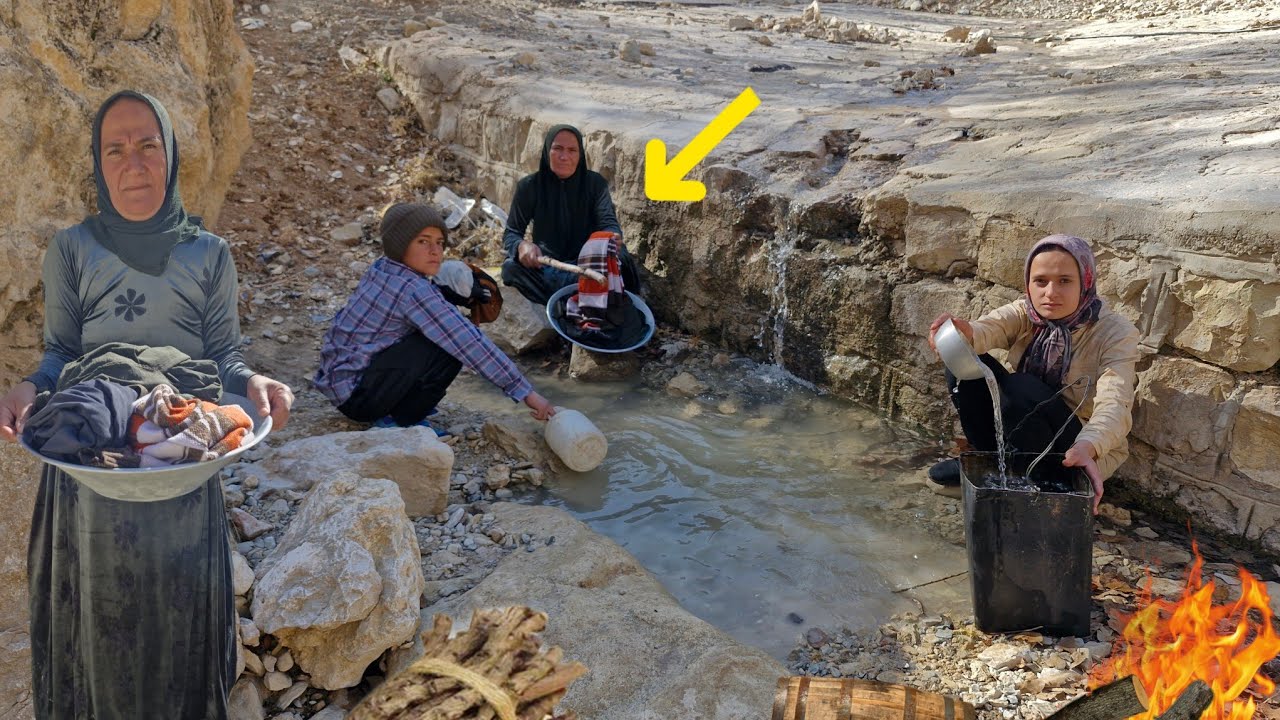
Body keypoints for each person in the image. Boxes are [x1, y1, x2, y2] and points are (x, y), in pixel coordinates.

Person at [0, 90, 294, 718]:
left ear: (171, 154)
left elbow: (226, 358)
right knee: (97, 623)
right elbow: (58, 354)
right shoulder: (72, 250)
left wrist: (257, 386)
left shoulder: (208, 255)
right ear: (99, 166)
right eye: (115, 149)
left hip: (179, 456)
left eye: (147, 145)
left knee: (178, 615)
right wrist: (31, 387)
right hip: (91, 465)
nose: (132, 162)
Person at [926, 234, 1140, 513]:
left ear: (1085, 281)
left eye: (1065, 281)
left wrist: (1089, 446)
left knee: (1022, 388)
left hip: (1077, 445)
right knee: (965, 360)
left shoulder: (1115, 333)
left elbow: (1115, 402)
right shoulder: (1027, 312)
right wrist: (962, 334)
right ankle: (995, 461)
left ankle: (1045, 479)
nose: (1050, 293)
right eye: (1041, 281)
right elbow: (990, 327)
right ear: (1029, 283)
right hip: (1029, 422)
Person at [315, 202, 557, 429]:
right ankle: (401, 419)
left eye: (440, 242)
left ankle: (396, 402)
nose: (435, 251)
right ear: (400, 245)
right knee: (449, 346)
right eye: (423, 241)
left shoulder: (382, 268)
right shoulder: (414, 291)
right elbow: (470, 343)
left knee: (437, 330)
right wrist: (527, 393)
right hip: (360, 400)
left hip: (340, 382)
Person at [500, 124, 641, 305]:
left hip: (589, 265)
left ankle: (565, 300)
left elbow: (609, 223)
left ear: (580, 155)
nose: (564, 157)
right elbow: (511, 233)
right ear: (547, 151)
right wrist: (521, 246)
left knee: (620, 258)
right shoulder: (529, 187)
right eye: (557, 148)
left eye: (572, 150)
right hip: (549, 266)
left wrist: (611, 238)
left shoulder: (595, 184)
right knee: (510, 268)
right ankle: (580, 300)